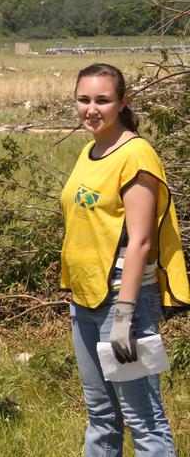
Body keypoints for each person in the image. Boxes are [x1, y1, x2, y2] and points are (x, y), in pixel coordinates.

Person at [61, 63, 188, 457]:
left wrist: (125, 315)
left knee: (143, 418)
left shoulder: (136, 155)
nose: (91, 109)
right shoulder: (91, 149)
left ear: (123, 102)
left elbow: (141, 241)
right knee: (100, 414)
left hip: (122, 302)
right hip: (84, 299)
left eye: (103, 100)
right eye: (84, 100)